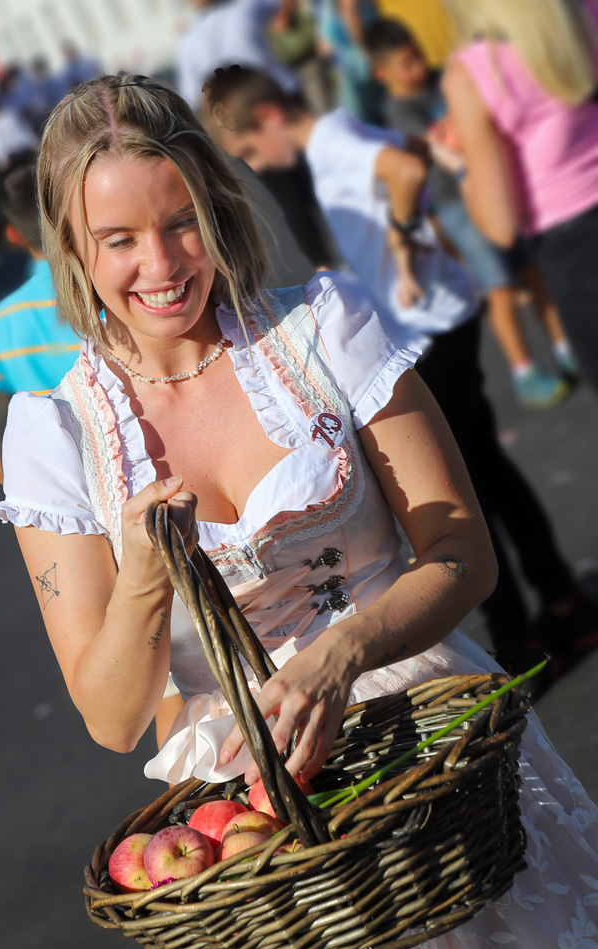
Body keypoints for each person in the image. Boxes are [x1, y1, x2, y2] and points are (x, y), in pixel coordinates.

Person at [0, 75, 598, 949]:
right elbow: (111, 716)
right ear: (72, 247)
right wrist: (143, 575)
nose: (161, 266)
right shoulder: (55, 437)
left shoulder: (321, 328)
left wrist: (342, 650)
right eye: (120, 240)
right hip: (263, 846)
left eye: (181, 223)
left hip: (439, 754)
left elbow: (463, 553)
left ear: (217, 206)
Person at [204, 65, 598, 675]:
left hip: (426, 330)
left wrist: (404, 236)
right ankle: (558, 599)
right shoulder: (340, 130)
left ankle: (520, 632)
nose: (258, 165)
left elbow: (407, 170)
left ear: (271, 117)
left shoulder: (331, 141)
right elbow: (412, 150)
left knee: (459, 494)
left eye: (252, 151)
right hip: (436, 320)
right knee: (487, 471)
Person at [365, 16, 578, 409]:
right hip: (456, 203)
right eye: (405, 64)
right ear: (382, 73)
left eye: (416, 56)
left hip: (491, 186)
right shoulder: (400, 111)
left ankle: (565, 344)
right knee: (500, 285)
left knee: (532, 268)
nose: (417, 68)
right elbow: (438, 146)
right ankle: (524, 370)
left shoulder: (442, 81)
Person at [439, 0, 598, 393]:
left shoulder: (475, 71)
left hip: (577, 255)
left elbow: (501, 226)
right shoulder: (585, 14)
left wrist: (460, 165)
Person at [176, 0, 335, 267]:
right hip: (276, 97)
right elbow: (284, 7)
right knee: (321, 174)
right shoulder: (245, 8)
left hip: (236, 119)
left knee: (291, 199)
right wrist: (284, 26)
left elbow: (190, 96)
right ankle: (343, 245)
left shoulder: (188, 40)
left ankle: (324, 264)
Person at [0, 155, 82, 484]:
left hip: (71, 490)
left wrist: (33, 498)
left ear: (14, 235)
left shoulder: (0, 324)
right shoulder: (103, 287)